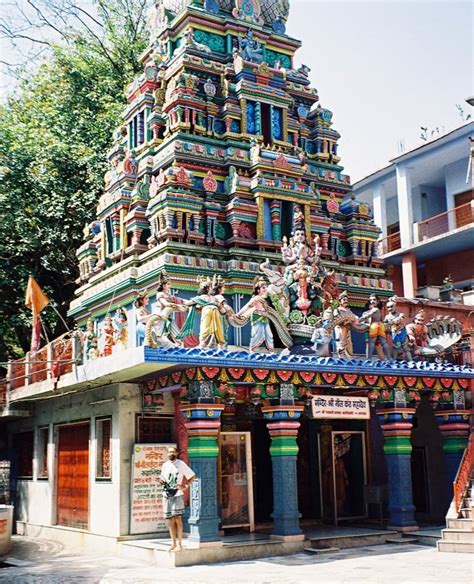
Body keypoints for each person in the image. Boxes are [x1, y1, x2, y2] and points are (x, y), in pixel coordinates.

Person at [159, 446, 195, 552]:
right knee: (170, 520)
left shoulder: (181, 464)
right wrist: (161, 481)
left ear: (177, 453)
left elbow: (192, 476)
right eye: (169, 452)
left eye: (173, 452)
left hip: (177, 494)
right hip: (166, 494)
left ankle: (180, 544)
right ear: (167, 454)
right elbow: (163, 478)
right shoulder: (165, 465)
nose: (171, 454)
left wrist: (185, 486)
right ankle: (173, 543)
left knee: (178, 519)